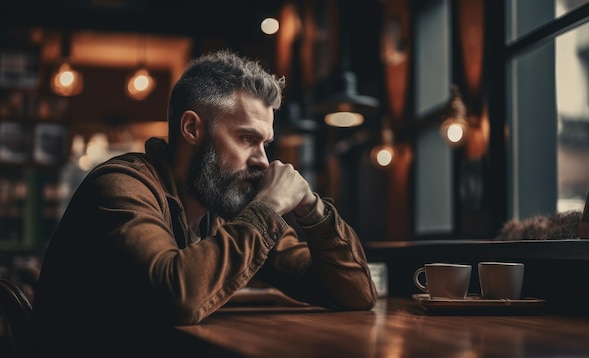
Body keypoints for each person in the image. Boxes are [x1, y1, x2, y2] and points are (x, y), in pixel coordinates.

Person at [32, 49, 377, 357]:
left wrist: (311, 207)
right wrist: (268, 207)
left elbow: (355, 294)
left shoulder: (226, 207)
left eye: (266, 144)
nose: (263, 161)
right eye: (247, 138)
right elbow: (176, 293)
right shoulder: (120, 186)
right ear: (192, 129)